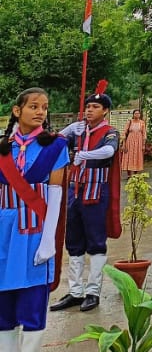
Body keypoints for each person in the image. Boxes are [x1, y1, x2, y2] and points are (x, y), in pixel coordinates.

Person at [0, 89, 70, 352]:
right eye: (33, 106)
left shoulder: (55, 147)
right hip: (4, 235)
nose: (40, 111)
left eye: (44, 107)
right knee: (4, 310)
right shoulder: (3, 149)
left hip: (33, 234)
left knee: (30, 308)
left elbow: (55, 194)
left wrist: (49, 241)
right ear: (17, 110)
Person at [50, 90, 120, 313]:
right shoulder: (79, 132)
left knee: (96, 243)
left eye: (95, 107)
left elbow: (109, 151)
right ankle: (75, 291)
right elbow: (53, 143)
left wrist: (86, 155)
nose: (90, 110)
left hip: (96, 193)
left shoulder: (110, 132)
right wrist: (69, 129)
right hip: (75, 193)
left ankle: (93, 291)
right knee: (74, 243)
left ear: (105, 110)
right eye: (88, 106)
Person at [121, 109, 146, 178]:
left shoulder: (142, 123)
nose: (137, 115)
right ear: (133, 114)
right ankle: (129, 175)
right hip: (130, 142)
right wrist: (124, 144)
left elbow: (144, 134)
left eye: (138, 113)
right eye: (135, 113)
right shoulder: (130, 122)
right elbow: (124, 133)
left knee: (137, 156)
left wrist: (143, 145)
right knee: (128, 157)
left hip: (138, 143)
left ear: (140, 115)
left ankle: (135, 174)